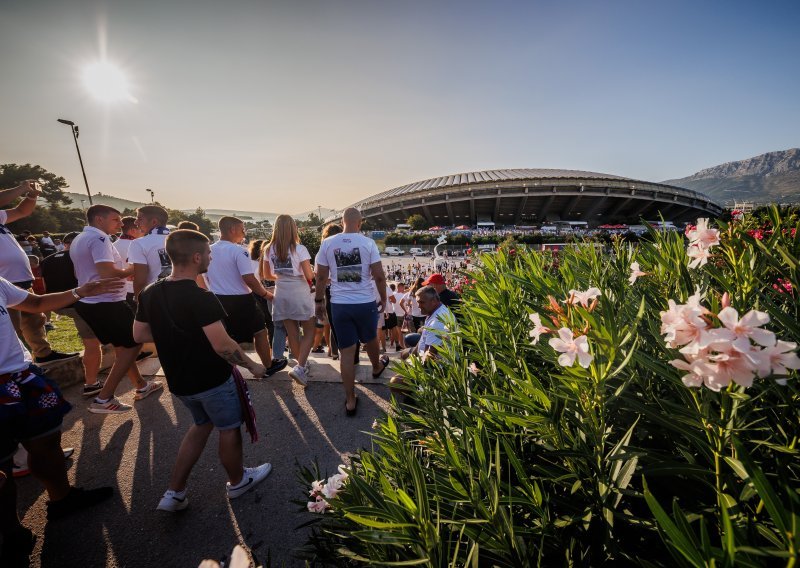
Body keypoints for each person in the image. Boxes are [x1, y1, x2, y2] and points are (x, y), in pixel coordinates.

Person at [133, 229, 272, 512]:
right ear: (196, 257)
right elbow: (222, 344)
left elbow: (139, 334)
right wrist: (253, 365)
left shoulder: (151, 292)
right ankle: (238, 481)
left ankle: (175, 491)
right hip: (211, 379)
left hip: (180, 381)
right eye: (208, 253)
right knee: (228, 428)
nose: (210, 256)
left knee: (200, 426)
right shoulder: (201, 297)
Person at [0, 275, 123, 565]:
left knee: (47, 442)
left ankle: (61, 499)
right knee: (1, 469)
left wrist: (81, 291)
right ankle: (12, 533)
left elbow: (36, 303)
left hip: (21, 376)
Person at [70, 205, 163, 414]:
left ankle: (141, 385)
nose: (121, 224)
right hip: (107, 303)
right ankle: (104, 398)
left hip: (93, 302)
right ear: (99, 219)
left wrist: (121, 273)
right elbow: (107, 272)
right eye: (115, 219)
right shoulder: (99, 239)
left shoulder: (80, 238)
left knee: (123, 347)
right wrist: (132, 268)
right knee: (133, 344)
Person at [314, 208, 390, 415]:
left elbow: (320, 277)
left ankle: (349, 400)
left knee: (346, 353)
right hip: (364, 302)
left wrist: (319, 301)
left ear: (342, 221)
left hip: (340, 305)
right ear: (361, 223)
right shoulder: (368, 243)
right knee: (371, 338)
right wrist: (383, 298)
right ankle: (376, 367)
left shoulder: (328, 243)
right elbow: (380, 276)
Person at [0, 180, 76, 364]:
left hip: (20, 280)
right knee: (11, 328)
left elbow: (21, 211)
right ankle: (15, 365)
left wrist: (32, 195)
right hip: (5, 282)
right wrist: (21, 187)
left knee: (34, 321)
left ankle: (43, 354)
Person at [204, 216, 286, 378]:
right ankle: (267, 366)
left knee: (227, 336)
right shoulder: (239, 250)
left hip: (217, 298)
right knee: (260, 331)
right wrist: (267, 294)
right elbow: (249, 278)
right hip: (241, 300)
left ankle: (225, 370)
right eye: (242, 229)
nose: (244, 232)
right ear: (232, 230)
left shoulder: (208, 250)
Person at [40, 232, 106, 396]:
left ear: (64, 243)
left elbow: (44, 285)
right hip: (79, 303)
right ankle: (91, 383)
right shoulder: (80, 257)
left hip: (57, 303)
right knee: (92, 345)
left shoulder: (47, 260)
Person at [261, 215, 316, 386]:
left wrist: (281, 275)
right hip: (299, 291)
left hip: (281, 292)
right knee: (309, 331)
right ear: (293, 228)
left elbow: (266, 275)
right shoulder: (300, 249)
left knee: (292, 333)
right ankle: (300, 367)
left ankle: (302, 365)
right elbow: (308, 275)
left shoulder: (269, 249)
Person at [389, 285, 454, 397]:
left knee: (395, 383)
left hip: (439, 367)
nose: (418, 306)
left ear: (433, 301)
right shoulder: (436, 310)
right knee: (405, 351)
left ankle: (420, 395)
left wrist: (411, 365)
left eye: (422, 302)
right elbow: (424, 336)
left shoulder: (438, 323)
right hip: (428, 354)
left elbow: (430, 357)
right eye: (418, 302)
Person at [129, 205, 172, 299]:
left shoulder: (139, 243)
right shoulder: (183, 240)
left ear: (154, 222)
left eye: (139, 219)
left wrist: (138, 301)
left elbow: (140, 281)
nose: (136, 222)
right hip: (181, 297)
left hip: (154, 298)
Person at [112, 216, 142, 306]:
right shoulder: (138, 245)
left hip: (119, 289)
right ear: (133, 230)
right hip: (135, 289)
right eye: (140, 229)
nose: (142, 232)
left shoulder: (112, 245)